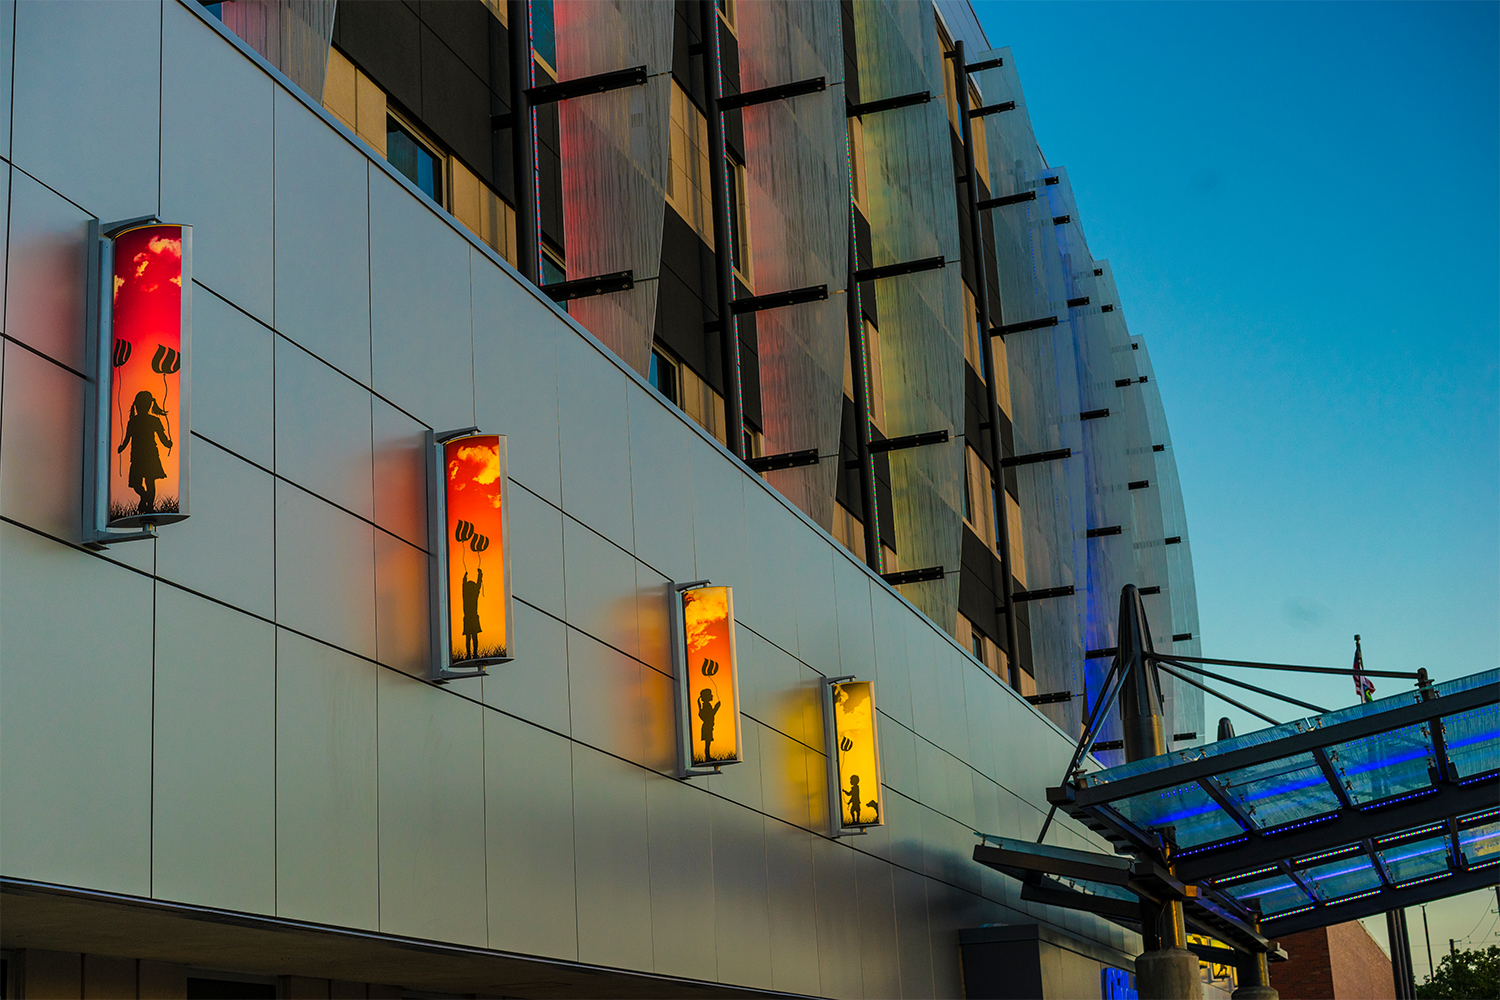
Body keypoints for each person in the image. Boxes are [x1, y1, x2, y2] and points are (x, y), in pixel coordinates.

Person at [117, 390, 171, 514]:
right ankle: (145, 497)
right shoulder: (133, 421)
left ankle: (150, 506)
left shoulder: (154, 420)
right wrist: (122, 447)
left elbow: (161, 437)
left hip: (151, 455)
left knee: (150, 481)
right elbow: (127, 438)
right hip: (137, 456)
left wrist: (167, 443)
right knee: (136, 483)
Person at [461, 568, 483, 658]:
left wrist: (465, 578)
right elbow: (478, 585)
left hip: (470, 617)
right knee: (473, 637)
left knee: (469, 637)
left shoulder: (466, 595)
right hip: (472, 617)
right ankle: (473, 653)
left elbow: (477, 585)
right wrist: (480, 575)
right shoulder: (473, 594)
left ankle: (471, 654)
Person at [697, 688, 721, 762]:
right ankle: (707, 757)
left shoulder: (707, 705)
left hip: (708, 726)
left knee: (708, 743)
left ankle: (708, 756)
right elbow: (710, 714)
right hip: (707, 727)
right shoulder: (707, 705)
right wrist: (717, 707)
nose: (712, 696)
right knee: (707, 743)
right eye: (710, 694)